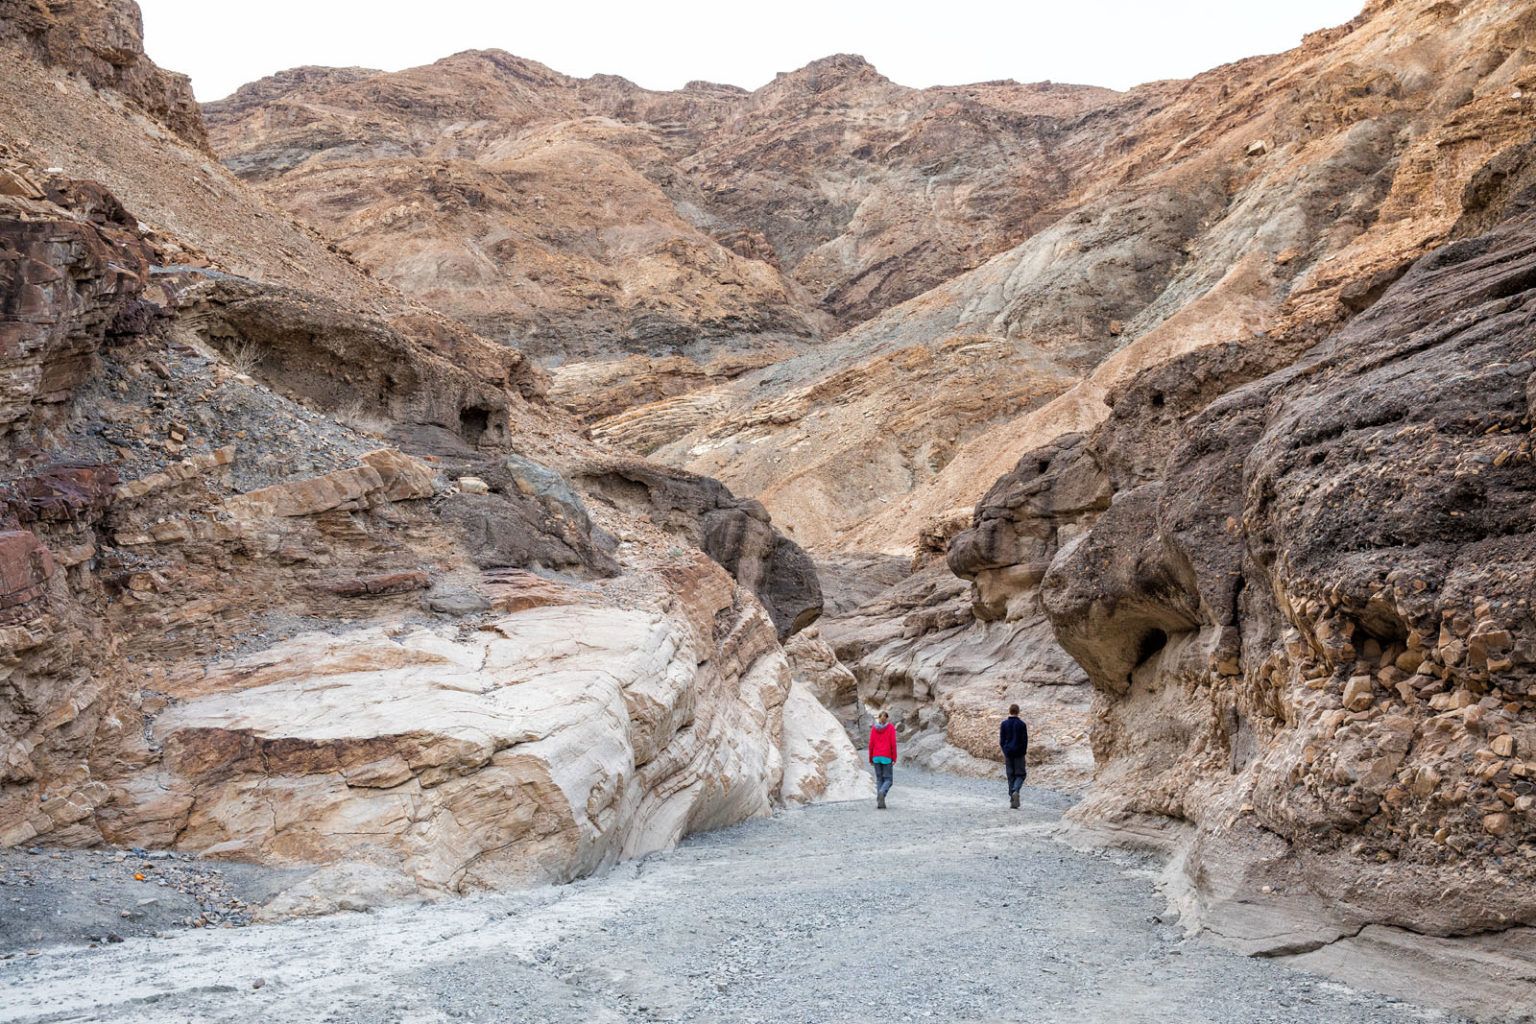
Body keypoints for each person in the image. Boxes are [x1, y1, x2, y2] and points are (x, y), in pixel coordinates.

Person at [999, 704, 1029, 809]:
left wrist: (1005, 751)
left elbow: (1001, 741)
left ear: (1009, 711)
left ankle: (1012, 800)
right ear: (1018, 711)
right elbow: (1025, 741)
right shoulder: (1022, 724)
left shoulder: (1004, 724)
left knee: (1010, 775)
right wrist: (1023, 752)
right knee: (1020, 775)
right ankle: (1015, 790)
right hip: (1019, 754)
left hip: (1008, 753)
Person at [868, 709, 897, 809]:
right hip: (887, 757)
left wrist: (870, 758)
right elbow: (893, 744)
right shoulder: (891, 728)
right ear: (887, 718)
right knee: (888, 779)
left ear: (879, 718)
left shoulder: (874, 729)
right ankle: (882, 793)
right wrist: (894, 757)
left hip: (876, 757)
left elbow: (871, 744)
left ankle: (880, 801)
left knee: (879, 779)